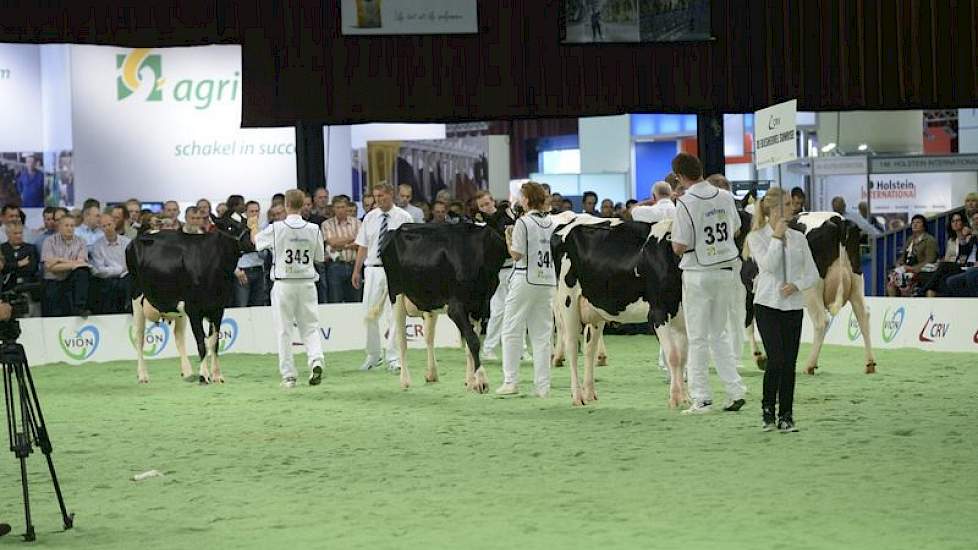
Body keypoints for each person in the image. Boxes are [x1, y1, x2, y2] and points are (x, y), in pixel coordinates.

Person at [670, 152, 747, 414]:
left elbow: (679, 246)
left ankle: (702, 397)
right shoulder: (725, 196)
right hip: (725, 270)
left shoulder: (686, 203)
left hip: (698, 274)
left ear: (679, 177)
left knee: (698, 337)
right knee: (719, 333)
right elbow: (735, 228)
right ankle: (735, 389)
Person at [746, 187, 819, 433]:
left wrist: (796, 284)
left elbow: (812, 273)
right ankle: (768, 410)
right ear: (774, 209)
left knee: (789, 363)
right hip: (767, 304)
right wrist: (776, 238)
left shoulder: (799, 238)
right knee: (775, 359)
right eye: (787, 204)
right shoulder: (757, 237)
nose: (793, 207)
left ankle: (786, 415)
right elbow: (768, 265)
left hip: (793, 306)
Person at [250, 189, 326, 388]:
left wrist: (252, 226)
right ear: (303, 205)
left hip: (284, 283)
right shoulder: (313, 229)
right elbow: (319, 257)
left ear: (286, 205)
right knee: (310, 327)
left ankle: (289, 375)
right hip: (307, 282)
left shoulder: (277, 228)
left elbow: (256, 243)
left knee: (284, 330)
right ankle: (316, 360)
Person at [495, 181, 557, 398]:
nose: (519, 199)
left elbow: (516, 254)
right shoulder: (552, 222)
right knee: (542, 335)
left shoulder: (523, 222)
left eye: (522, 196)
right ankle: (543, 386)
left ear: (528, 200)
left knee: (511, 330)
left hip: (524, 278)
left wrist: (508, 237)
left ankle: (510, 381)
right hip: (548, 281)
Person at [352, 182, 413, 372]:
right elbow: (363, 245)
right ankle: (373, 355)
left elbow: (410, 246)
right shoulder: (370, 218)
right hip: (372, 269)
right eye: (376, 196)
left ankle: (393, 358)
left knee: (395, 314)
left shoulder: (404, 217)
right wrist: (356, 270)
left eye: (382, 196)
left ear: (391, 195)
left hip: (396, 270)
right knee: (369, 314)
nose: (378, 200)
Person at [476, 190, 518, 360]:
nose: (486, 207)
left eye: (487, 203)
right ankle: (488, 347)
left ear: (493, 201)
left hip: (514, 267)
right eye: (482, 206)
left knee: (516, 311)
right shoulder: (481, 224)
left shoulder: (508, 217)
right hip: (495, 272)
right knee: (498, 310)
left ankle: (520, 350)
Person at [41, 215, 91, 317]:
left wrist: (59, 260)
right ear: (59, 227)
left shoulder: (81, 242)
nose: (70, 228)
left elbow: (81, 265)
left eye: (72, 226)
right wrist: (72, 263)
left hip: (71, 279)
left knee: (82, 273)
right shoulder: (49, 241)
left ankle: (80, 308)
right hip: (53, 280)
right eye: (66, 225)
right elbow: (49, 267)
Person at [922, 212, 975, 297]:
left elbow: (965, 253)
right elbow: (947, 259)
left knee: (943, 266)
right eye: (953, 221)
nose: (955, 223)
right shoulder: (951, 240)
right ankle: (929, 293)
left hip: (963, 266)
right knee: (938, 278)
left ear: (963, 222)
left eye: (958, 220)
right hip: (951, 267)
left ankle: (921, 292)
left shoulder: (970, 237)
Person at [886, 214, 939, 297]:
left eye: (918, 222)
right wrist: (898, 265)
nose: (915, 224)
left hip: (921, 272)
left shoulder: (930, 240)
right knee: (891, 283)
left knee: (907, 280)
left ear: (924, 226)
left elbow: (930, 260)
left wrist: (912, 269)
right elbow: (903, 256)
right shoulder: (910, 239)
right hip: (907, 270)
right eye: (913, 222)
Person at [322, 196, 362, 303]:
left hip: (354, 265)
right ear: (333, 209)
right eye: (337, 207)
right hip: (336, 266)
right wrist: (352, 238)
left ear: (347, 207)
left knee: (355, 301)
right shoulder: (327, 224)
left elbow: (361, 244)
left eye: (343, 207)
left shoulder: (357, 223)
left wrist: (341, 245)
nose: (340, 210)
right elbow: (333, 242)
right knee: (335, 300)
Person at [90, 214, 131, 314]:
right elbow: (99, 270)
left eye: (109, 224)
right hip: (108, 280)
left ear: (114, 224)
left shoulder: (127, 242)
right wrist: (120, 269)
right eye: (104, 226)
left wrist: (113, 269)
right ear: (100, 228)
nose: (107, 228)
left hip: (127, 277)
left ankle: (129, 308)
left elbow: (131, 265)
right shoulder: (97, 246)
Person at [233, 201, 267, 307]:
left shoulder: (263, 229)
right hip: (243, 270)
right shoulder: (239, 229)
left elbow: (265, 253)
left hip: (259, 269)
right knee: (242, 304)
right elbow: (232, 251)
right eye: (251, 211)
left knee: (258, 305)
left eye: (257, 211)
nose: (254, 214)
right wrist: (236, 269)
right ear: (246, 213)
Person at [0, 223, 40, 296]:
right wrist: (18, 264)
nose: (18, 236)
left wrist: (10, 266)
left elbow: (32, 268)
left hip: (29, 288)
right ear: (7, 234)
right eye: (15, 233)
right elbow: (2, 268)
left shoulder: (30, 248)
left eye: (20, 233)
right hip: (6, 289)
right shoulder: (2, 249)